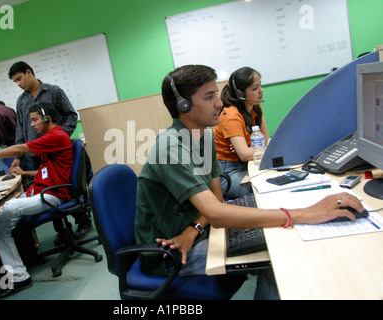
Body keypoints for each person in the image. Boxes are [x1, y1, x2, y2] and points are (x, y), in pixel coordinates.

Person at [134, 64, 365, 300]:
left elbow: (217, 202)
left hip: (196, 234)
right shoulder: (171, 148)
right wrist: (303, 213)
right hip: (169, 254)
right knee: (278, 255)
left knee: (277, 235)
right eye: (209, 97)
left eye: (216, 94)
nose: (219, 103)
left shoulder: (203, 137)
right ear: (184, 105)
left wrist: (194, 229)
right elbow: (216, 212)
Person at [0, 102, 74, 299]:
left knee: (7, 206)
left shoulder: (56, 136)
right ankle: (20, 277)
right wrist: (24, 172)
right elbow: (47, 172)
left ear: (47, 118)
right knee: (0, 227)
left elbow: (20, 148)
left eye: (35, 120)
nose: (32, 125)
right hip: (38, 191)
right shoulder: (50, 139)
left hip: (51, 196)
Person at [7, 61, 91, 240]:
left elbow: (71, 115)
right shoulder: (21, 100)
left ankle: (84, 222)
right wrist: (18, 156)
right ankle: (63, 230)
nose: (18, 84)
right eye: (15, 81)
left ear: (29, 72)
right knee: (46, 192)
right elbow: (21, 128)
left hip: (55, 150)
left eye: (19, 78)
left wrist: (62, 136)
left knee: (64, 187)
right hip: (34, 153)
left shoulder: (54, 91)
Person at [213, 67, 269, 199]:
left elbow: (264, 140)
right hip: (228, 172)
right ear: (241, 93)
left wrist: (251, 149)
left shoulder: (255, 106)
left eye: (260, 85)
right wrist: (252, 150)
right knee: (260, 188)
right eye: (255, 88)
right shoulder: (230, 115)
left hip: (247, 164)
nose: (261, 90)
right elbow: (244, 154)